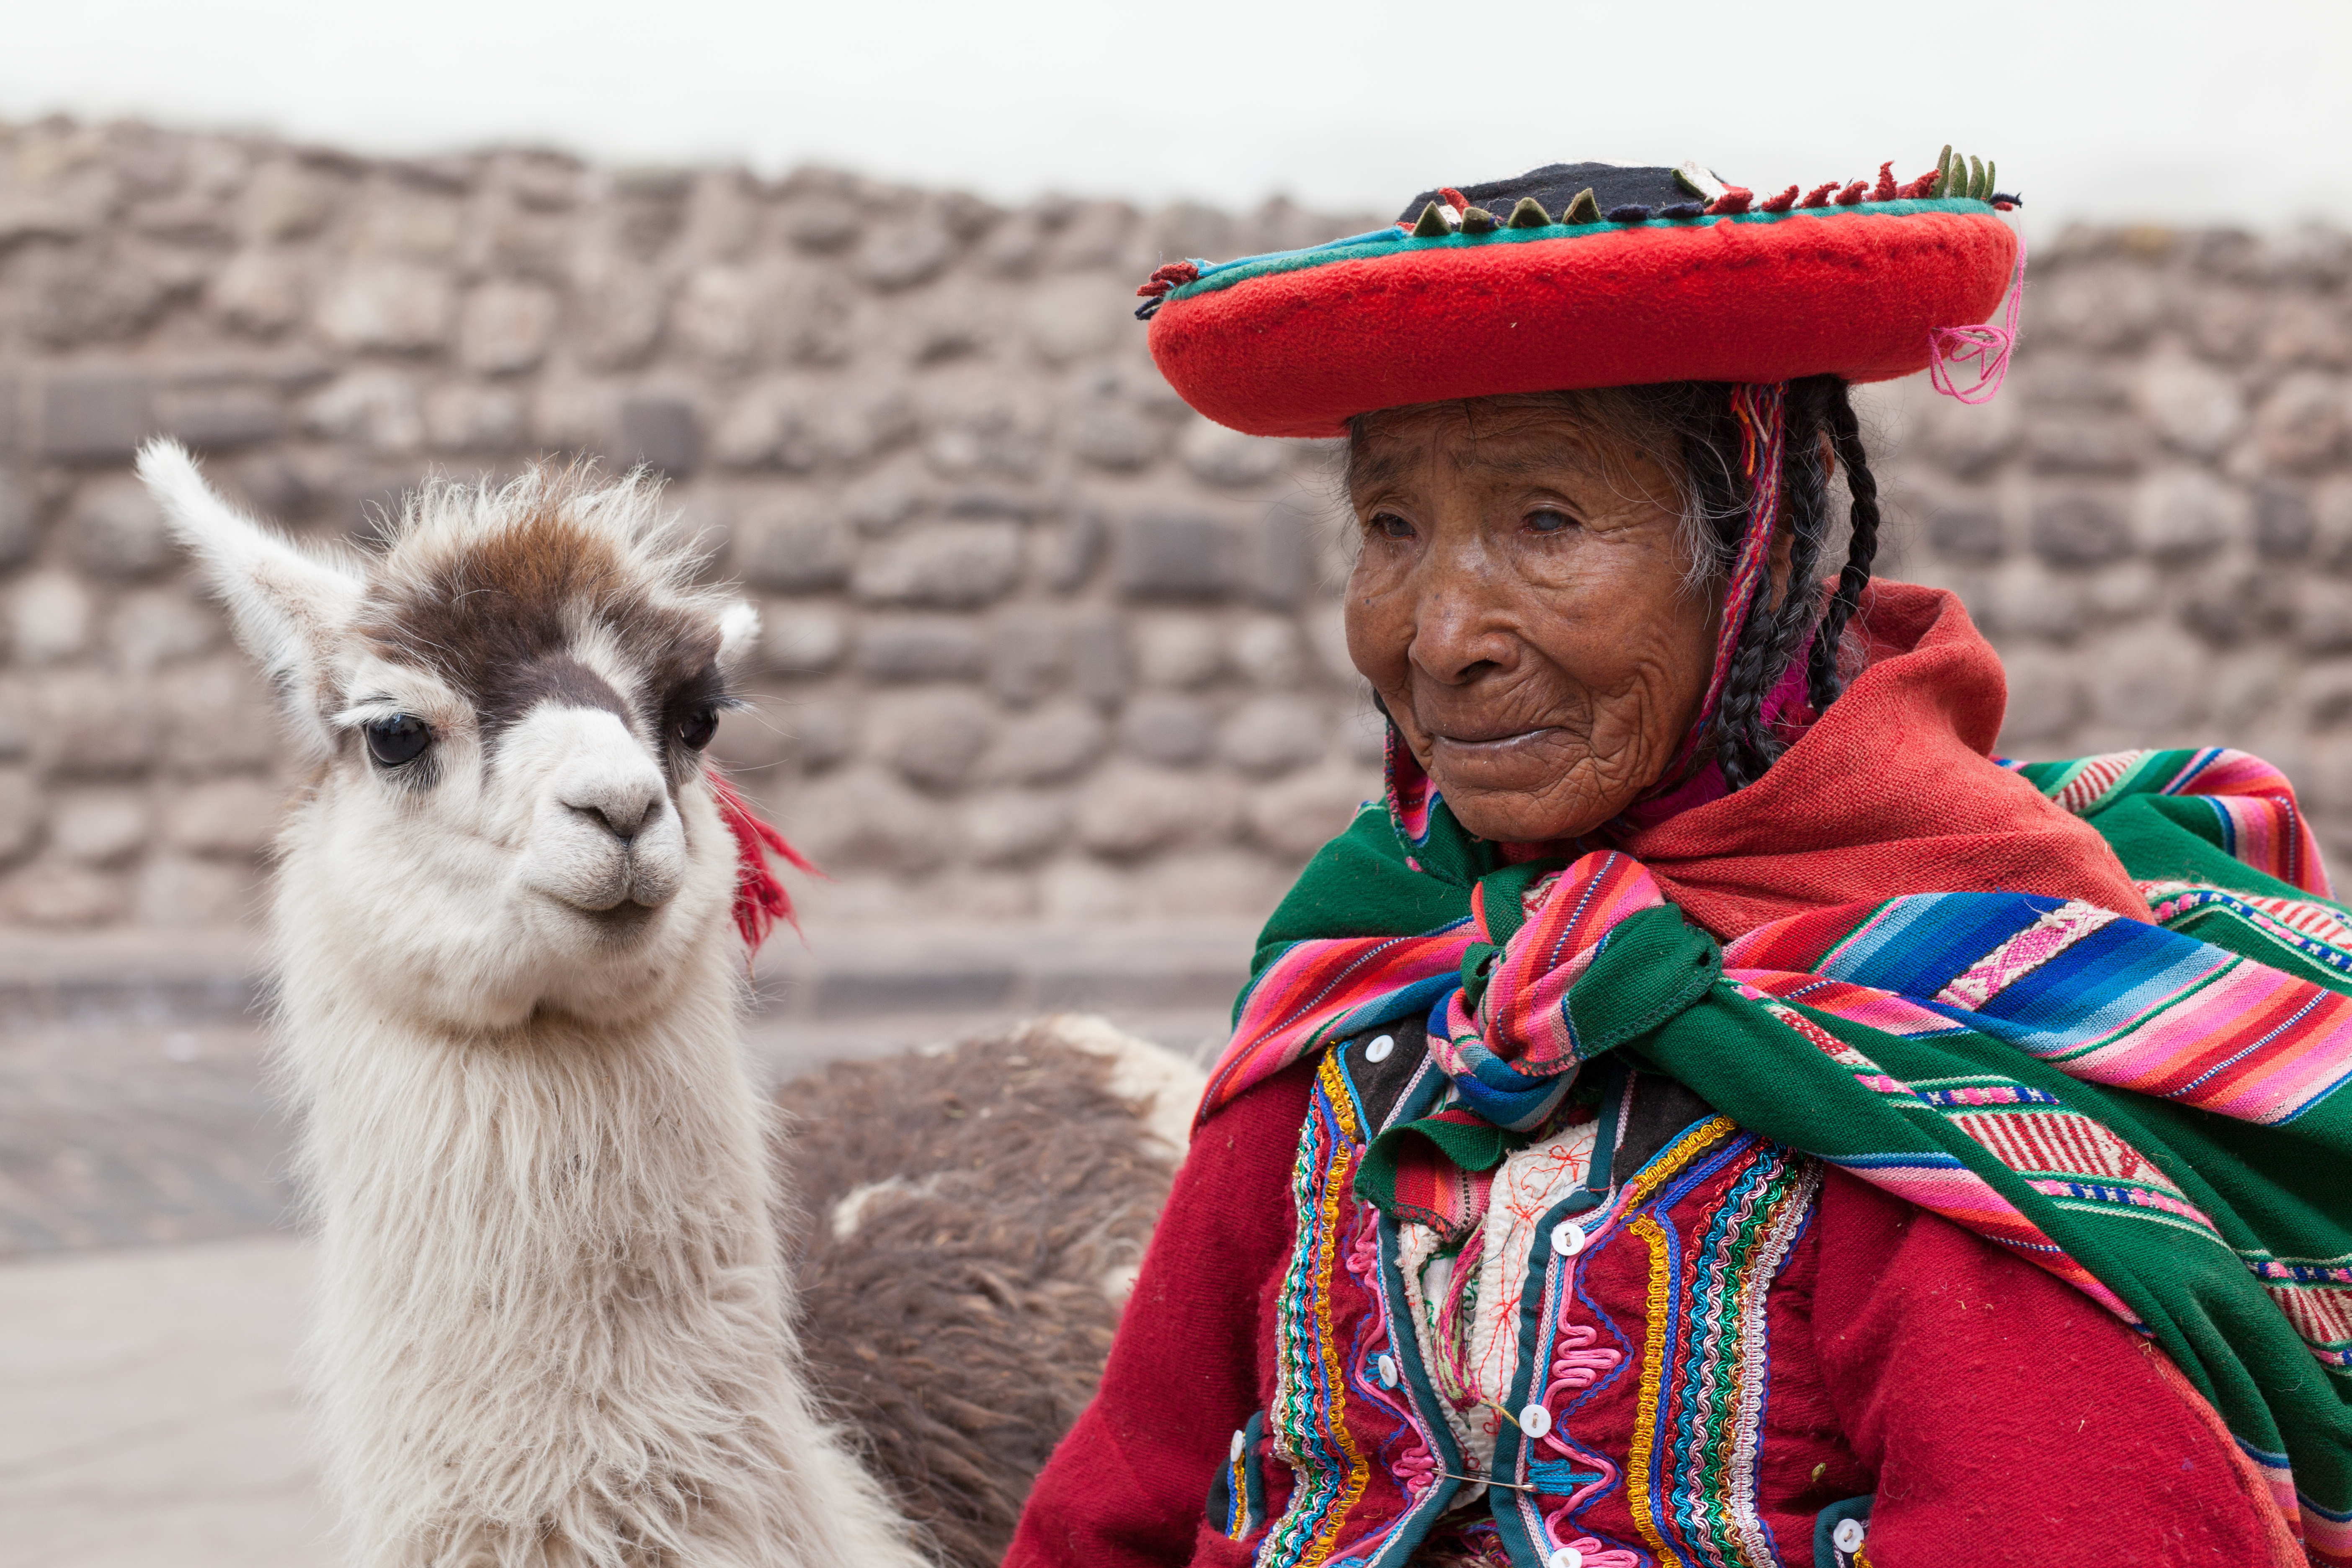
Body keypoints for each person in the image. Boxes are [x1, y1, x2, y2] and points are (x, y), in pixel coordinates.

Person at [1005, 157, 2352, 1568]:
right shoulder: (1372, 970)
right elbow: (1120, 1501)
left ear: (1756, 551)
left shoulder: (1932, 1039)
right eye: (1393, 528)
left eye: (1546, 522)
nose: (1443, 630)